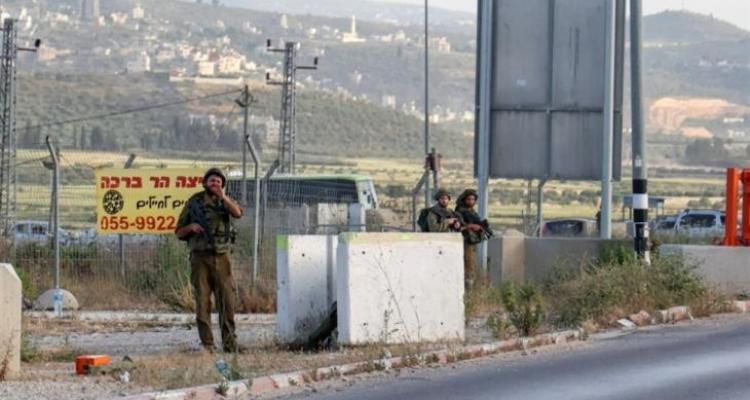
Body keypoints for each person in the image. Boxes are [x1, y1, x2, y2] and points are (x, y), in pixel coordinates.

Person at [175, 168, 243, 353]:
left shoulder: (225, 201)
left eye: (219, 182)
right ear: (205, 183)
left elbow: (237, 213)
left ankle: (230, 344)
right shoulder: (194, 203)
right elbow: (179, 232)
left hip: (222, 258)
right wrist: (191, 227)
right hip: (200, 259)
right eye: (212, 181)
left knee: (227, 301)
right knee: (203, 302)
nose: (215, 184)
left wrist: (224, 197)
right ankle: (208, 345)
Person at [455, 189, 493, 288]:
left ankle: (470, 286)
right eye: (469, 199)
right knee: (468, 263)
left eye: (473, 199)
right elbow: (459, 227)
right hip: (465, 241)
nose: (471, 201)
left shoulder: (471, 211)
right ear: (464, 200)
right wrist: (471, 226)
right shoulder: (460, 211)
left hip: (471, 241)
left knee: (471, 263)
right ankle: (467, 287)